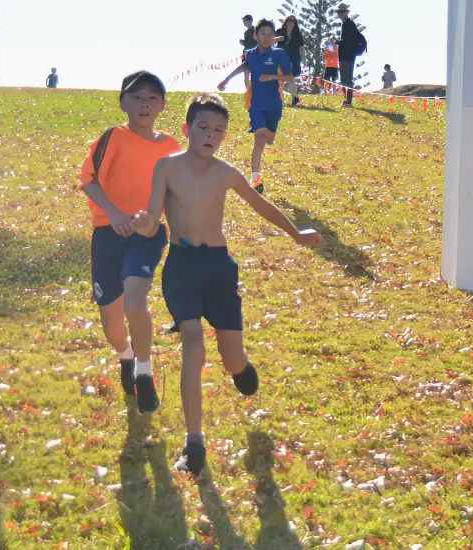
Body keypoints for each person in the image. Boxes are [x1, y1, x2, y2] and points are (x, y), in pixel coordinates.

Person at [131, 93, 322, 475]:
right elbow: (153, 216)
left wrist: (296, 234)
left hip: (219, 269)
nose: (210, 135)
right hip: (182, 268)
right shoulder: (166, 168)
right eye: (203, 127)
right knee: (193, 347)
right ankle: (194, 443)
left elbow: (262, 207)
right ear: (186, 129)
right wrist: (145, 225)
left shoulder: (226, 173)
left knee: (230, 355)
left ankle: (240, 368)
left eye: (219, 130)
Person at [78, 70, 181, 414]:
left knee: (136, 302)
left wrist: (158, 222)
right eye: (136, 97)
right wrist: (116, 214)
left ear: (163, 105)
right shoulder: (112, 138)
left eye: (152, 98)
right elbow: (89, 181)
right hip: (108, 234)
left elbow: (174, 193)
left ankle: (144, 372)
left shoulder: (170, 147)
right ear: (123, 102)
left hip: (147, 236)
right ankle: (126, 356)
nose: (144, 104)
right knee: (111, 324)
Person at [218, 19, 293, 196]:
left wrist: (272, 77)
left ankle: (269, 138)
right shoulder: (250, 54)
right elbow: (245, 65)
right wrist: (227, 79)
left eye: (270, 34)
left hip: (274, 105)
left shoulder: (279, 54)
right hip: (256, 105)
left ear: (274, 37)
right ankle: (255, 179)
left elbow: (290, 78)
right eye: (263, 33)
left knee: (269, 139)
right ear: (255, 36)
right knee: (259, 139)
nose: (266, 38)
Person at [335, 3, 364, 107]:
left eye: (342, 11)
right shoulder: (345, 24)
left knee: (346, 79)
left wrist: (338, 42)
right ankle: (347, 101)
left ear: (346, 12)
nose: (340, 14)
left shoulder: (349, 24)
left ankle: (348, 102)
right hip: (345, 55)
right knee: (344, 79)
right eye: (338, 12)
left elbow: (349, 41)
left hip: (348, 56)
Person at [276, 15, 306, 107]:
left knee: (291, 78)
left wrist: (304, 58)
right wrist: (278, 39)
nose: (290, 22)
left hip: (293, 59)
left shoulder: (297, 34)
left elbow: (301, 47)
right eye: (289, 20)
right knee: (278, 79)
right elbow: (269, 40)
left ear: (295, 23)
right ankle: (277, 99)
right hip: (280, 58)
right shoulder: (280, 31)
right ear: (286, 21)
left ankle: (294, 98)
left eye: (293, 21)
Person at [239, 15, 257, 90]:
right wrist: (242, 42)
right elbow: (247, 43)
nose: (243, 22)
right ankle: (248, 92)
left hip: (254, 55)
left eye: (244, 20)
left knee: (254, 75)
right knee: (246, 74)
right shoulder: (246, 32)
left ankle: (255, 92)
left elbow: (257, 42)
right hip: (246, 54)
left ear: (249, 21)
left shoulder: (255, 30)